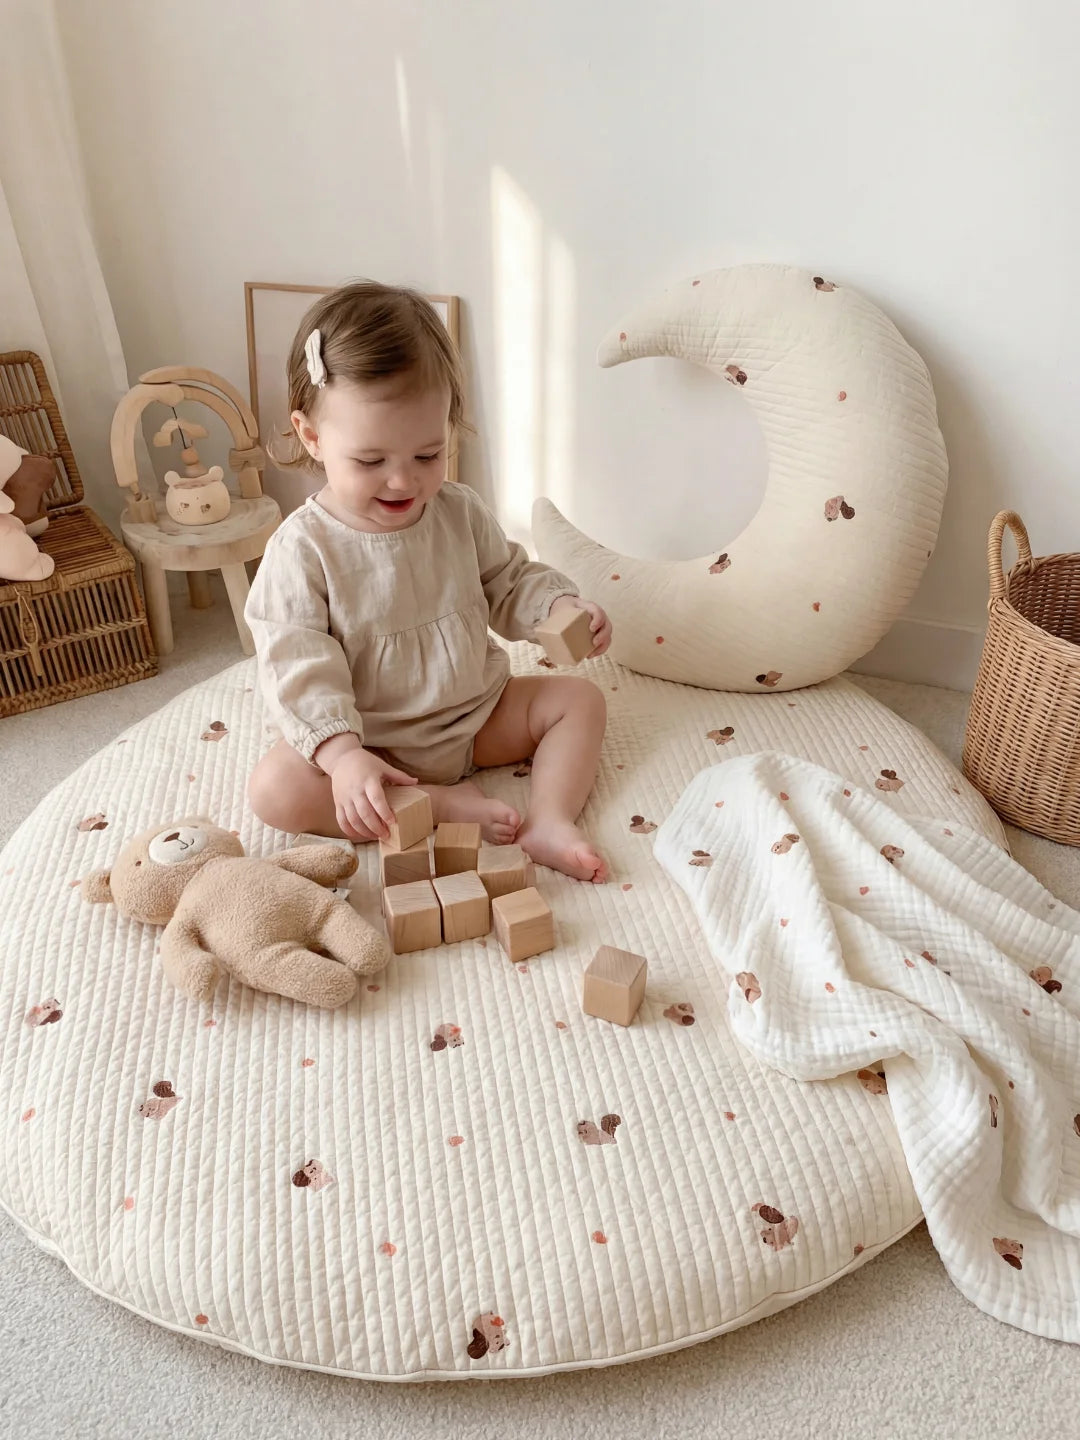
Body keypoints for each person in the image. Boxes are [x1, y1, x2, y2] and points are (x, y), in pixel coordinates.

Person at [246, 280, 612, 883]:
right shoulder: (302, 549)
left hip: (476, 715)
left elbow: (508, 580)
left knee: (580, 700)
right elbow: (296, 663)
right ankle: (436, 807)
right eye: (370, 462)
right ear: (311, 436)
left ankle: (549, 818)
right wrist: (341, 757)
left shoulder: (459, 511)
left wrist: (558, 606)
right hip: (375, 744)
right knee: (275, 791)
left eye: (427, 454)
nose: (401, 482)